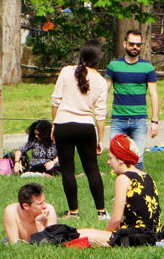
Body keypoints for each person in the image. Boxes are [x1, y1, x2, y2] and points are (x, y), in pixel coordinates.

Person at [51, 39, 109, 220]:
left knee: (68, 170)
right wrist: (100, 139)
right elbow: (100, 114)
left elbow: (55, 101)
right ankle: (101, 211)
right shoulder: (100, 81)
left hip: (63, 125)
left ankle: (74, 211)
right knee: (92, 169)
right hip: (86, 127)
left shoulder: (67, 71)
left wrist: (54, 124)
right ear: (99, 59)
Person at [78, 135, 162, 247]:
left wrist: (106, 234)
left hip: (135, 236)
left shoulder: (123, 179)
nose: (108, 162)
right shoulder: (147, 176)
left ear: (121, 159)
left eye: (110, 158)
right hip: (154, 233)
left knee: (81, 234)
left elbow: (116, 219)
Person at [105, 29, 159, 170]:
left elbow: (154, 95)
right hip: (118, 119)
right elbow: (104, 91)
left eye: (138, 44)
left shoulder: (147, 67)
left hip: (139, 119)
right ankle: (120, 185)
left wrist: (155, 121)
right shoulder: (114, 66)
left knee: (138, 158)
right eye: (131, 44)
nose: (135, 47)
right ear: (124, 44)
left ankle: (137, 185)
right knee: (115, 156)